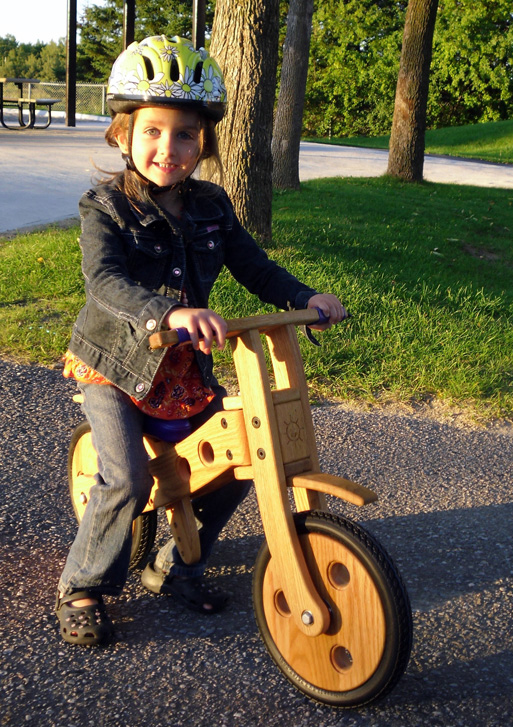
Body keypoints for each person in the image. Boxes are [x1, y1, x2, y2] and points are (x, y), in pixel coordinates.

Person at [56, 35, 346, 646]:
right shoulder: (104, 206)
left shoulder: (213, 204)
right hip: (117, 364)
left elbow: (253, 266)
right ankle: (83, 584)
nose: (169, 147)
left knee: (240, 460)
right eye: (153, 131)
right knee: (128, 480)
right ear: (122, 134)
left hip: (181, 371)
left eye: (185, 134)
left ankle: (177, 566)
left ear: (204, 142)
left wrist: (302, 298)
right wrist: (167, 313)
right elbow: (105, 282)